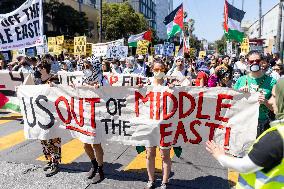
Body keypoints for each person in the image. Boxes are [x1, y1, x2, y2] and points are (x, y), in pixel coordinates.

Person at [206, 79, 284, 189]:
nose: (270, 101)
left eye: (274, 96)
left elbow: (245, 166)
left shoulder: (276, 137)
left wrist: (220, 156)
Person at [234, 51, 277, 137]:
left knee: (260, 150)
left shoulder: (272, 81)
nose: (254, 63)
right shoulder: (241, 80)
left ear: (262, 61)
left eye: (257, 61)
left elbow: (275, 108)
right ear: (247, 62)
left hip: (262, 124)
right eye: (251, 61)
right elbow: (231, 103)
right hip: (244, 122)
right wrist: (240, 94)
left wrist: (265, 102)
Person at [144, 59, 172, 189]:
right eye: (156, 69)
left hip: (165, 126)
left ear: (165, 70)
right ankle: (151, 180)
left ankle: (164, 182)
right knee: (150, 154)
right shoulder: (146, 83)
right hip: (149, 125)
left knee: (165, 155)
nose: (159, 72)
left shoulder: (170, 84)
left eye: (161, 69)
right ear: (151, 70)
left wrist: (175, 89)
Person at [37, 60, 61, 177]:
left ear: (44, 68)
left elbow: (60, 92)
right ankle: (49, 160)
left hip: (52, 114)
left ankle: (55, 162)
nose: (38, 69)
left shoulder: (54, 79)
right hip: (41, 114)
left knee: (53, 139)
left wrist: (54, 86)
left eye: (40, 67)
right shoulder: (37, 80)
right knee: (43, 138)